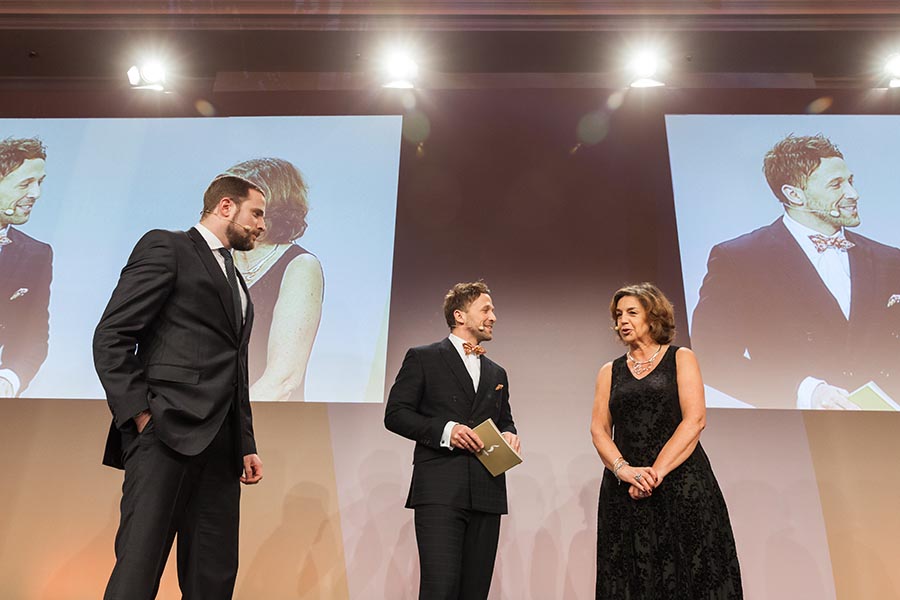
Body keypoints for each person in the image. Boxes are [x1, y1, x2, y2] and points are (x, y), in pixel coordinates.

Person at [93, 174, 266, 600]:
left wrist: (244, 442)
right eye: (257, 213)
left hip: (221, 448)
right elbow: (112, 336)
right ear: (226, 206)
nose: (262, 226)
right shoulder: (167, 247)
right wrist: (141, 415)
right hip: (165, 434)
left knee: (213, 576)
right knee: (139, 568)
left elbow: (235, 367)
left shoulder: (236, 278)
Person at [691, 133, 900, 409]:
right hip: (797, 429)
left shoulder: (890, 259)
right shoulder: (738, 259)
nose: (853, 193)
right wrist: (808, 392)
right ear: (794, 195)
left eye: (850, 181)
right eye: (836, 184)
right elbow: (710, 357)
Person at [591, 282, 742, 600]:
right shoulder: (609, 371)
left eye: (632, 312)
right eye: (619, 314)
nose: (622, 320)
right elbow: (599, 430)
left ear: (653, 315)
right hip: (626, 490)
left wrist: (655, 473)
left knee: (690, 570)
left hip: (681, 483)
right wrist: (625, 470)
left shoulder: (680, 357)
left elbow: (695, 420)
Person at [384, 281, 520, 600]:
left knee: (475, 592)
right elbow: (396, 414)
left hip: (487, 491)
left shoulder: (497, 373)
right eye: (486, 309)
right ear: (460, 315)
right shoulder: (423, 358)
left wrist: (510, 434)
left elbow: (505, 420)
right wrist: (448, 431)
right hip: (440, 490)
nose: (493, 317)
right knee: (440, 589)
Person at [224, 157, 324, 401]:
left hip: (265, 418)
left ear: (273, 209)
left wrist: (222, 418)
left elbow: (282, 379)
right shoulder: (216, 261)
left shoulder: (301, 266)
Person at [0, 137, 50, 397]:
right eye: (25, 183)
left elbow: (33, 337)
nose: (36, 194)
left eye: (39, 182)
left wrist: (9, 380)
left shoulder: (37, 255)